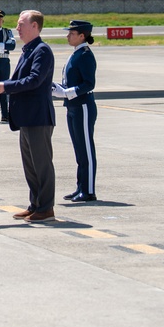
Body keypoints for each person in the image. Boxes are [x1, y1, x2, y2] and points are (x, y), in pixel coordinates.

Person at [0, 10, 56, 223]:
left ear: (35, 26)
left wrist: (4, 86)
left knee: (42, 164)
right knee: (31, 165)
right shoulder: (29, 50)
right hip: (27, 117)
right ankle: (35, 204)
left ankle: (46, 208)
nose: (17, 28)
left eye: (21, 24)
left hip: (37, 117)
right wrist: (2, 86)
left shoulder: (42, 50)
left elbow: (34, 80)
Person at [53, 20, 98, 203]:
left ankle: (88, 190)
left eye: (72, 33)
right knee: (79, 149)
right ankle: (81, 186)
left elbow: (89, 83)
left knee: (85, 149)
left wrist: (67, 92)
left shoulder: (85, 55)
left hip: (83, 106)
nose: (68, 35)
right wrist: (59, 89)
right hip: (73, 106)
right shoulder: (76, 53)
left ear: (82, 36)